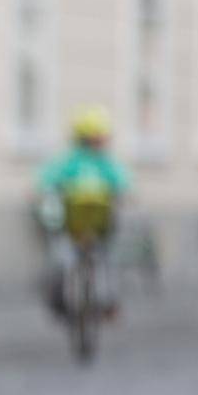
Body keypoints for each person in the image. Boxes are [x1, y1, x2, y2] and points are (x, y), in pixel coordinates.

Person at [37, 106, 131, 318]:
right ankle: (59, 299)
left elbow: (122, 179)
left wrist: (125, 191)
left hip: (99, 222)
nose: (102, 142)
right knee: (62, 257)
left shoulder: (105, 163)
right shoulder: (72, 160)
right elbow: (50, 175)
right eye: (97, 138)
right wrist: (42, 189)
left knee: (106, 259)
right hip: (73, 223)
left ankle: (109, 301)